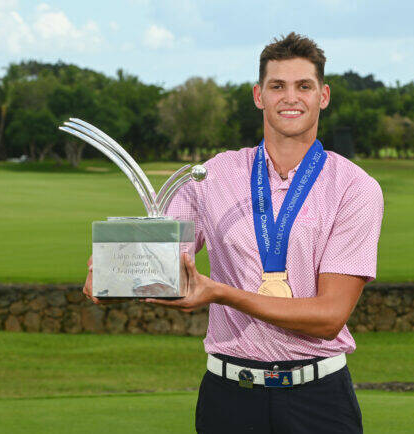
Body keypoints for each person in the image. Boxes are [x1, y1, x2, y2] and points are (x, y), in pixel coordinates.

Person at [83, 32, 383, 434]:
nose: (290, 97)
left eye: (303, 86)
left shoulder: (355, 187)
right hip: (229, 398)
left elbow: (329, 316)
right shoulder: (211, 176)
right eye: (277, 86)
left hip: (319, 401)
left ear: (323, 96)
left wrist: (221, 293)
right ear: (258, 95)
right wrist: (112, 274)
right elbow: (167, 269)